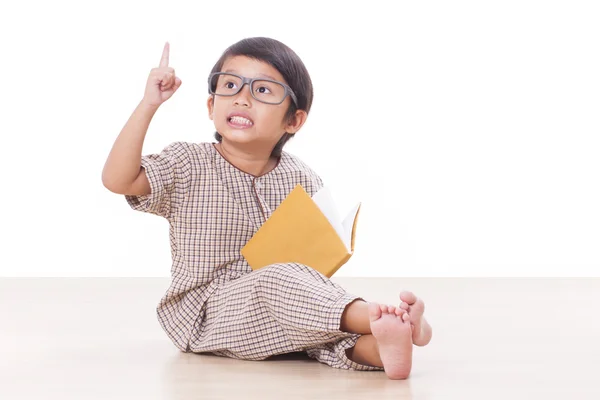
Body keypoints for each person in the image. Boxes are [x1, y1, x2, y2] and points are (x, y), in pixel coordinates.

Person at [102, 37, 432, 380]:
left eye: (263, 90)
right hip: (207, 316)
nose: (242, 98)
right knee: (277, 279)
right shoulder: (187, 163)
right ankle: (384, 316)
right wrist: (149, 104)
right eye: (230, 85)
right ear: (211, 105)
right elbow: (118, 180)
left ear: (294, 121)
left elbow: (312, 266)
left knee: (323, 335)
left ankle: (387, 343)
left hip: (284, 309)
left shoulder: (302, 178)